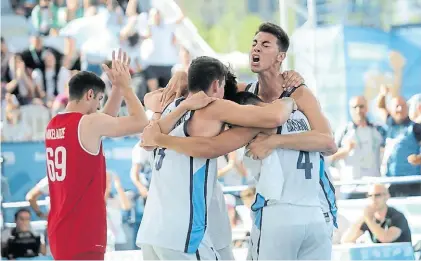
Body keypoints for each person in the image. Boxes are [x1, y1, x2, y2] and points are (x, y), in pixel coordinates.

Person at [152, 22, 338, 259]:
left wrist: (275, 142)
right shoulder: (244, 93)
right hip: (290, 208)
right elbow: (207, 80)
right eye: (254, 43)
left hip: (314, 206)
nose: (256, 49)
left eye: (265, 44)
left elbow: (329, 143)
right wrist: (183, 76)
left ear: (281, 56)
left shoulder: (298, 93)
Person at [137, 56, 297, 260]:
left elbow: (148, 98)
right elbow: (274, 118)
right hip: (182, 233)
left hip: (152, 230)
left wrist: (179, 77)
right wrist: (289, 100)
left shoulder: (169, 102)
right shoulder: (213, 106)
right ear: (215, 85)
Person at [44, 50, 149, 260]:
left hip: (60, 230)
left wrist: (117, 89)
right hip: (83, 233)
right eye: (100, 100)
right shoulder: (88, 123)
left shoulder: (53, 124)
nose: (99, 107)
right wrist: (127, 87)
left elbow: (104, 121)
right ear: (89, 95)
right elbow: (141, 122)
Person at [342, 184, 412, 244]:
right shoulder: (369, 218)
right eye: (370, 195)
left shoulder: (397, 216)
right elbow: (347, 240)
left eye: (377, 195)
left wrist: (368, 219)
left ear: (387, 196)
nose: (373, 198)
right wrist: (363, 217)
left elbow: (386, 238)